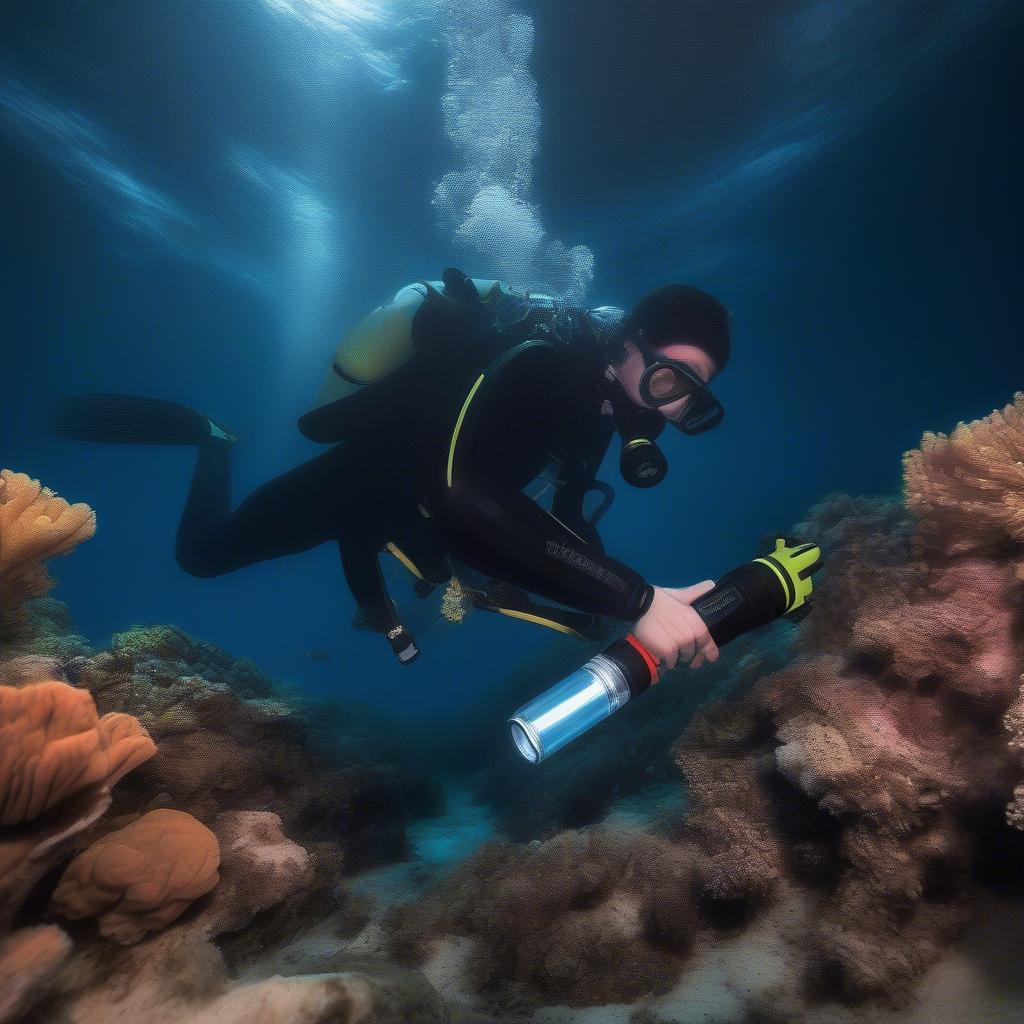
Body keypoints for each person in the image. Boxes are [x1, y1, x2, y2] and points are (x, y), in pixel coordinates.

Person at [51, 268, 730, 672]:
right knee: (200, 557)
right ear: (627, 344)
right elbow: (464, 493)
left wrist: (621, 600)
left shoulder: (594, 408)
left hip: (403, 516)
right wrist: (633, 599)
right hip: (352, 484)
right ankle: (211, 441)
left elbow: (568, 513)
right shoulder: (542, 363)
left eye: (690, 401)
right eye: (671, 380)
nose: (670, 411)